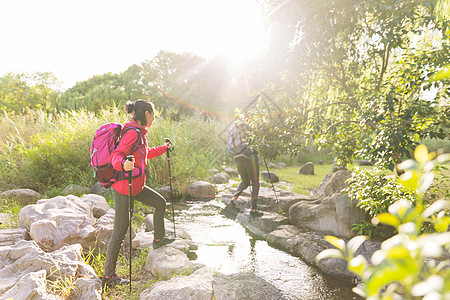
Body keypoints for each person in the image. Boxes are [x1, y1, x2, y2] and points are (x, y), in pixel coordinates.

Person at [102, 99, 175, 291]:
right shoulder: (132, 133)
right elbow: (116, 155)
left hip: (136, 186)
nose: (154, 118)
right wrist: (122, 164)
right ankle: (108, 276)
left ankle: (158, 239)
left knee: (160, 203)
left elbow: (145, 154)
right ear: (147, 114)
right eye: (153, 114)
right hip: (123, 188)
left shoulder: (140, 134)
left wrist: (163, 149)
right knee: (119, 233)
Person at [227, 117, 262, 217]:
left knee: (245, 181)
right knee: (255, 183)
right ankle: (253, 210)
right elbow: (255, 144)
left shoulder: (234, 127)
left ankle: (233, 201)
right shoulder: (250, 127)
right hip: (249, 158)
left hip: (237, 157)